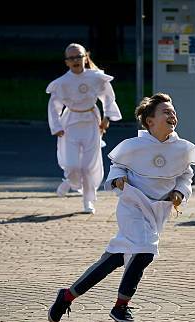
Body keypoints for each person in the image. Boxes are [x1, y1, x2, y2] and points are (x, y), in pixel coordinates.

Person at [48, 93, 195, 322]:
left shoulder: (182, 149)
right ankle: (121, 307)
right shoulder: (133, 146)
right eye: (166, 111)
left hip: (157, 211)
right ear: (150, 121)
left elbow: (185, 176)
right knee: (146, 251)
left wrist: (180, 193)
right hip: (132, 205)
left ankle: (67, 295)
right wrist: (119, 178)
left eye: (173, 112)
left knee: (115, 259)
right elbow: (118, 166)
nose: (172, 115)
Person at [46, 43, 122, 214]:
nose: (75, 60)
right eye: (71, 58)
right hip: (70, 124)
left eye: (78, 56)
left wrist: (107, 117)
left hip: (92, 123)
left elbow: (108, 97)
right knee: (72, 165)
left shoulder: (96, 77)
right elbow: (54, 106)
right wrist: (56, 126)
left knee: (88, 167)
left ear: (85, 57)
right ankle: (70, 181)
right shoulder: (62, 83)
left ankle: (88, 201)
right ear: (66, 62)